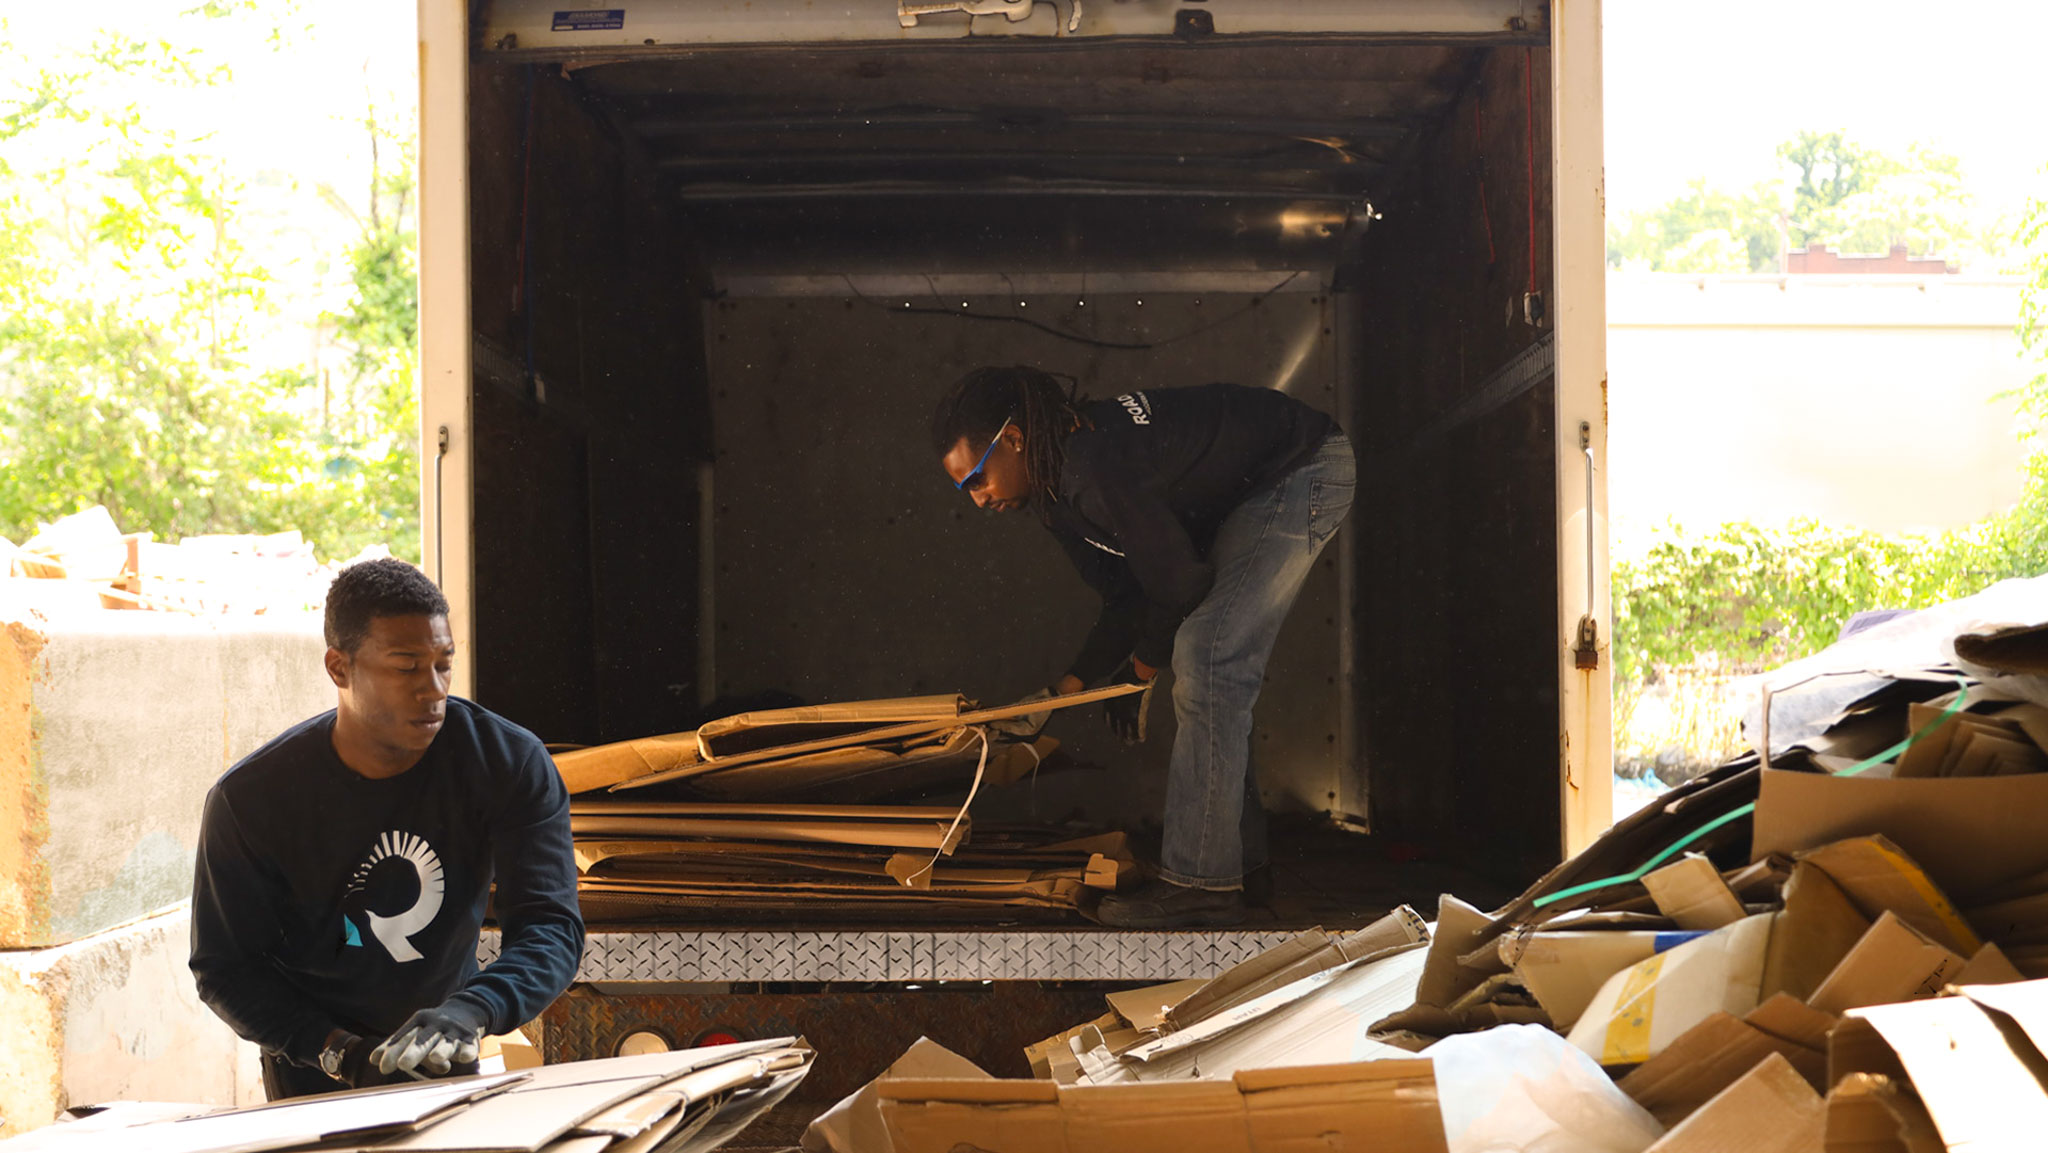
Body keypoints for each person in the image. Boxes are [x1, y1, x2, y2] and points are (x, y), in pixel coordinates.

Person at [932, 367, 1356, 928]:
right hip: (1251, 492)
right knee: (1209, 660)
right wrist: (1058, 697)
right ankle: (1242, 866)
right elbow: (1128, 596)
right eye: (965, 489)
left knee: (1209, 656)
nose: (977, 498)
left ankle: (1201, 886)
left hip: (1300, 468)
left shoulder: (1092, 466)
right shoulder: (1055, 496)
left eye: (976, 478)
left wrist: (1141, 669)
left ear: (1013, 440)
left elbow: (1179, 581)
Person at [190, 558, 584, 1098]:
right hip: (313, 1065)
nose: (434, 689)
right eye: (406, 666)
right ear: (339, 667)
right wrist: (339, 1052)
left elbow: (550, 926)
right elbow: (226, 968)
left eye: (444, 664)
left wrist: (470, 1011)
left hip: (445, 1051)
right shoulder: (253, 799)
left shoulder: (507, 762)